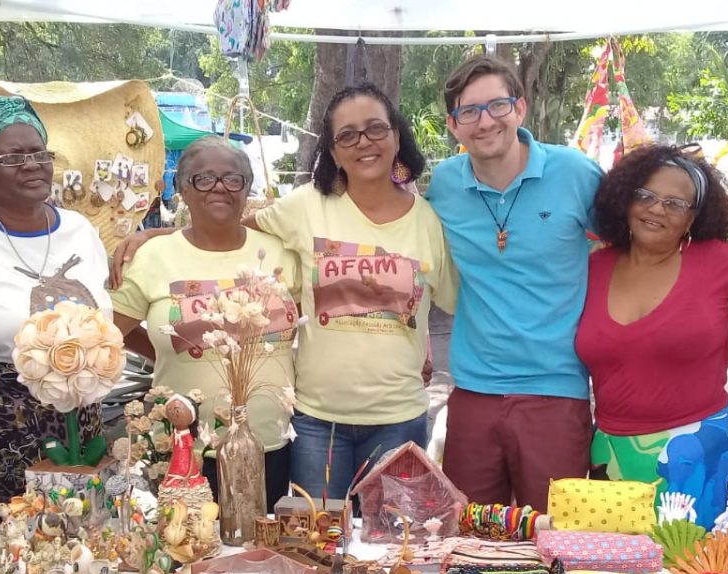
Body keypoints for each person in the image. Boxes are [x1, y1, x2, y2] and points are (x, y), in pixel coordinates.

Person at [112, 84, 457, 501]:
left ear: (397, 136)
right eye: (347, 134)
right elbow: (224, 223)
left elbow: (455, 303)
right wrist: (160, 235)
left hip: (397, 417)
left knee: (391, 545)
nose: (363, 142)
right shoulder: (306, 206)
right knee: (311, 543)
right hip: (316, 420)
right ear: (331, 151)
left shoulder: (429, 223)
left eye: (375, 129)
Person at [427, 55, 603, 509]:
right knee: (467, 534)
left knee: (551, 537)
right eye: (470, 111)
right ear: (454, 124)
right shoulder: (445, 184)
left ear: (519, 110)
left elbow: (629, 246)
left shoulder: (576, 173)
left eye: (497, 106)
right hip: (473, 390)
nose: (485, 122)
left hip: (555, 389)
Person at [0, 95, 113, 509]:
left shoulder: (81, 230)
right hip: (2, 428)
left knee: (89, 547)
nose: (31, 164)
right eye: (12, 157)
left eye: (38, 152)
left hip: (84, 420)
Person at [110, 136, 299, 507]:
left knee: (261, 553)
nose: (219, 188)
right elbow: (110, 334)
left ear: (247, 189)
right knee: (189, 551)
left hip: (271, 440)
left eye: (233, 179)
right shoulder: (152, 257)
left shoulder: (280, 252)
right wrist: (165, 353)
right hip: (184, 446)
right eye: (204, 178)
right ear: (182, 188)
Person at [575, 145, 728, 528]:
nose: (657, 209)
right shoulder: (594, 267)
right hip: (612, 449)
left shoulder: (727, 263)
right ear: (625, 200)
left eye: (676, 203)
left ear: (694, 217)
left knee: (695, 573)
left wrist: (721, 355)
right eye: (646, 196)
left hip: (697, 449)